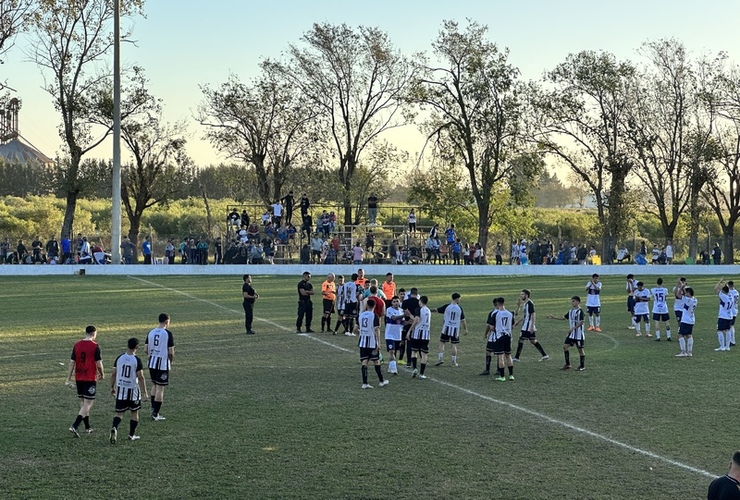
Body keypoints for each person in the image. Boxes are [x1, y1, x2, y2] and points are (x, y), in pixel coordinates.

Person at [65, 325, 105, 437]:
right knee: (88, 403)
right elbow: (99, 363)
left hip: (79, 377)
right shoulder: (95, 346)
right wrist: (102, 373)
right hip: (89, 377)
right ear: (94, 333)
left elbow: (72, 362)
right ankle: (75, 425)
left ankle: (87, 427)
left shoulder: (77, 344)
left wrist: (68, 378)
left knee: (83, 402)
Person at [109, 337, 148, 444]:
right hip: (133, 391)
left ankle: (115, 427)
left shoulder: (119, 358)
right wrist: (145, 392)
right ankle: (131, 435)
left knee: (119, 413)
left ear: (127, 345)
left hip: (121, 390)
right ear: (137, 347)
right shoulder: (137, 360)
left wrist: (112, 387)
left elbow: (113, 373)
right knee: (134, 413)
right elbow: (140, 377)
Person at [146, 313, 175, 421]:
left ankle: (153, 409)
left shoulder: (151, 332)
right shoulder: (168, 334)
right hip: (162, 364)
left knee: (154, 385)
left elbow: (145, 349)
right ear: (167, 322)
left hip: (152, 363)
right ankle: (156, 414)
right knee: (160, 388)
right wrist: (170, 362)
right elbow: (171, 352)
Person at [356, 300, 389, 389]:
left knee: (364, 361)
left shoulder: (360, 315)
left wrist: (361, 332)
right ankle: (381, 381)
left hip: (362, 342)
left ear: (366, 305)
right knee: (376, 361)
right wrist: (378, 342)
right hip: (371, 342)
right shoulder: (375, 316)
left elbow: (355, 329)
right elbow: (376, 329)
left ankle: (365, 383)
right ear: (374, 306)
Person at [548, 296, 586, 371]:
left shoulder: (580, 311)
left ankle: (582, 366)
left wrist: (573, 328)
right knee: (565, 347)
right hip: (571, 335)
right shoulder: (571, 311)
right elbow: (564, 318)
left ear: (578, 302)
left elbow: (581, 322)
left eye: (574, 301)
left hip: (578, 335)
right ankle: (568, 364)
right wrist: (553, 317)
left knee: (580, 350)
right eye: (572, 301)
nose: (572, 303)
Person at [481, 297, 515, 381]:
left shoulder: (495, 314)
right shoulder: (510, 313)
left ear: (497, 304)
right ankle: (511, 375)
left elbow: (491, 327)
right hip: (508, 336)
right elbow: (513, 326)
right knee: (508, 355)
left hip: (499, 337)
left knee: (500, 356)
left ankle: (502, 376)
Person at [513, 290, 549, 362]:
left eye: (522, 294)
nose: (521, 296)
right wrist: (518, 322)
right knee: (533, 341)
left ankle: (517, 357)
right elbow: (525, 315)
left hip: (527, 326)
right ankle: (544, 355)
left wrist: (532, 326)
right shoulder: (525, 304)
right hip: (527, 325)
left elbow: (533, 314)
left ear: (526, 295)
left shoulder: (529, 303)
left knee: (521, 340)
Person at [434, 292, 468, 366]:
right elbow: (463, 320)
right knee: (453, 345)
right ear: (457, 298)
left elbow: (436, 310)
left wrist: (427, 309)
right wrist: (465, 329)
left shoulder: (447, 306)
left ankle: (440, 359)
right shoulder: (459, 308)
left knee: (442, 343)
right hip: (455, 329)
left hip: (446, 328)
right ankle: (454, 362)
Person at [409, 295, 432, 379]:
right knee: (424, 354)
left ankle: (414, 368)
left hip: (417, 333)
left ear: (420, 301)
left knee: (414, 351)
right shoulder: (428, 310)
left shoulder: (418, 309)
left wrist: (410, 330)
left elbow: (417, 319)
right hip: (426, 335)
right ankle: (422, 374)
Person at [384, 296, 405, 375]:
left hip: (398, 335)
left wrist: (409, 322)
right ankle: (394, 369)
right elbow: (394, 318)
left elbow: (401, 322)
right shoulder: (389, 310)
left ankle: (390, 367)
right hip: (389, 334)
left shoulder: (401, 311)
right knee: (391, 351)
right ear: (392, 303)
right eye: (394, 301)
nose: (396, 303)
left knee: (394, 352)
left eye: (397, 301)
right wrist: (404, 315)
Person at [675, 287, 697, 357]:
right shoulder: (695, 299)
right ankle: (689, 352)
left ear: (688, 293)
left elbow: (678, 294)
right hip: (691, 319)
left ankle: (683, 352)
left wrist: (681, 287)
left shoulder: (687, 300)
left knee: (680, 335)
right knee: (688, 335)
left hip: (685, 320)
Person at [713, 279, 733, 352]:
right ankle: (727, 346)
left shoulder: (723, 296)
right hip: (729, 315)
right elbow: (726, 289)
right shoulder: (730, 295)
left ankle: (722, 346)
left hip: (723, 316)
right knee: (727, 330)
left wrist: (719, 282)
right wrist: (724, 284)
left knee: (719, 330)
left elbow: (715, 289)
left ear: (723, 291)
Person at [728, 280, 738, 348]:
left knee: (730, 326)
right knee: (732, 325)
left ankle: (732, 341)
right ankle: (732, 340)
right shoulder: (736, 292)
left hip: (730, 311)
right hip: (735, 310)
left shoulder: (729, 292)